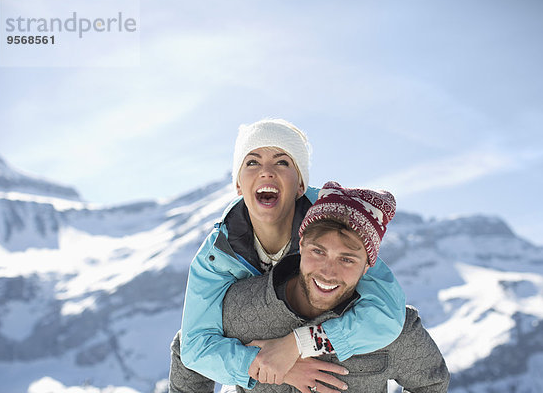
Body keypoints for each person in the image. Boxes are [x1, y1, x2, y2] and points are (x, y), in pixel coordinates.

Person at [169, 120, 406, 392]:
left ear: (301, 184)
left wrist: (300, 344)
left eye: (282, 162)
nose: (266, 172)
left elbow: (388, 313)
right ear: (237, 184)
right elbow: (195, 345)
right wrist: (274, 366)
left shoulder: (339, 225)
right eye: (252, 162)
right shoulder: (217, 255)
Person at [173, 181, 450, 393]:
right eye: (319, 251)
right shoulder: (240, 309)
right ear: (301, 245)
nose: (328, 272)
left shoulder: (397, 330)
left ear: (368, 266)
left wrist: (296, 346)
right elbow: (188, 350)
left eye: (347, 259)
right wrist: (258, 365)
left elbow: (432, 384)